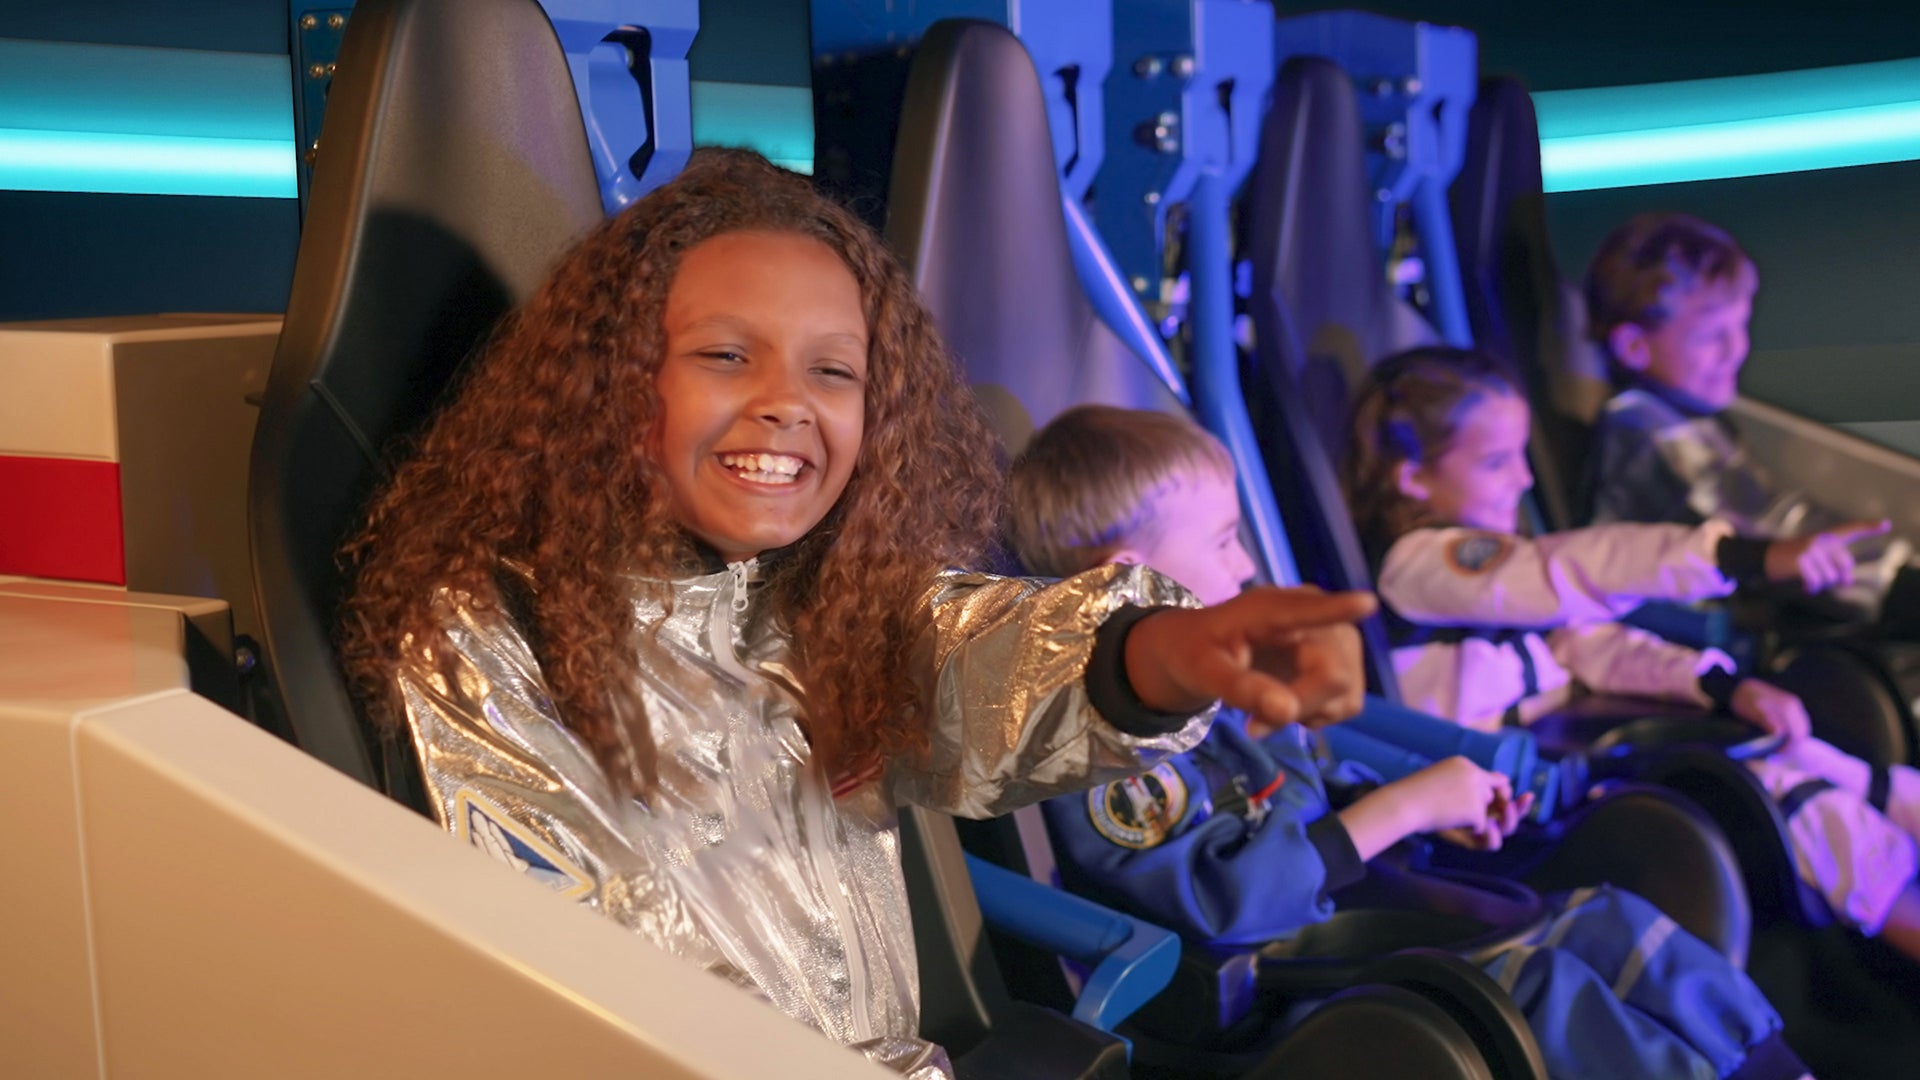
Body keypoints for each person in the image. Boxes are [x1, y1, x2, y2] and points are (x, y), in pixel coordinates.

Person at [333, 149, 1376, 1079]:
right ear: (614, 382)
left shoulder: (826, 600)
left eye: (833, 370)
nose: (788, 400)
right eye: (726, 356)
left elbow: (988, 662)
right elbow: (609, 969)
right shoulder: (491, 634)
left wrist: (1159, 652)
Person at [1011, 403, 1809, 1080]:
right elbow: (1222, 907)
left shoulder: (1212, 677)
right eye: (1223, 541)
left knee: (1607, 920)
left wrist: (1418, 811)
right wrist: (1396, 811)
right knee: (1538, 979)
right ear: (1129, 578)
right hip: (1261, 992)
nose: (1247, 563)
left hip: (1335, 920)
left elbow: (1303, 789)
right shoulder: (1101, 752)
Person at [1345, 344, 1920, 968]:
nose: (1525, 477)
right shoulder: (1417, 568)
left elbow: (1591, 642)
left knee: (1805, 754)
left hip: (1576, 757)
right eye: (1496, 462)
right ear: (1412, 477)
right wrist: (1742, 558)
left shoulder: (1494, 566)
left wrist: (1721, 687)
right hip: (1517, 815)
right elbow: (1563, 571)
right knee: (1786, 796)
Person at [1581, 212, 1919, 630]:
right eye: (1710, 336)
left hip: (1837, 574)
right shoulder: (1641, 432)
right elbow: (1710, 561)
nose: (1736, 349)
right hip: (1785, 603)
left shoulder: (1693, 417)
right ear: (1633, 346)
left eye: (1740, 325)